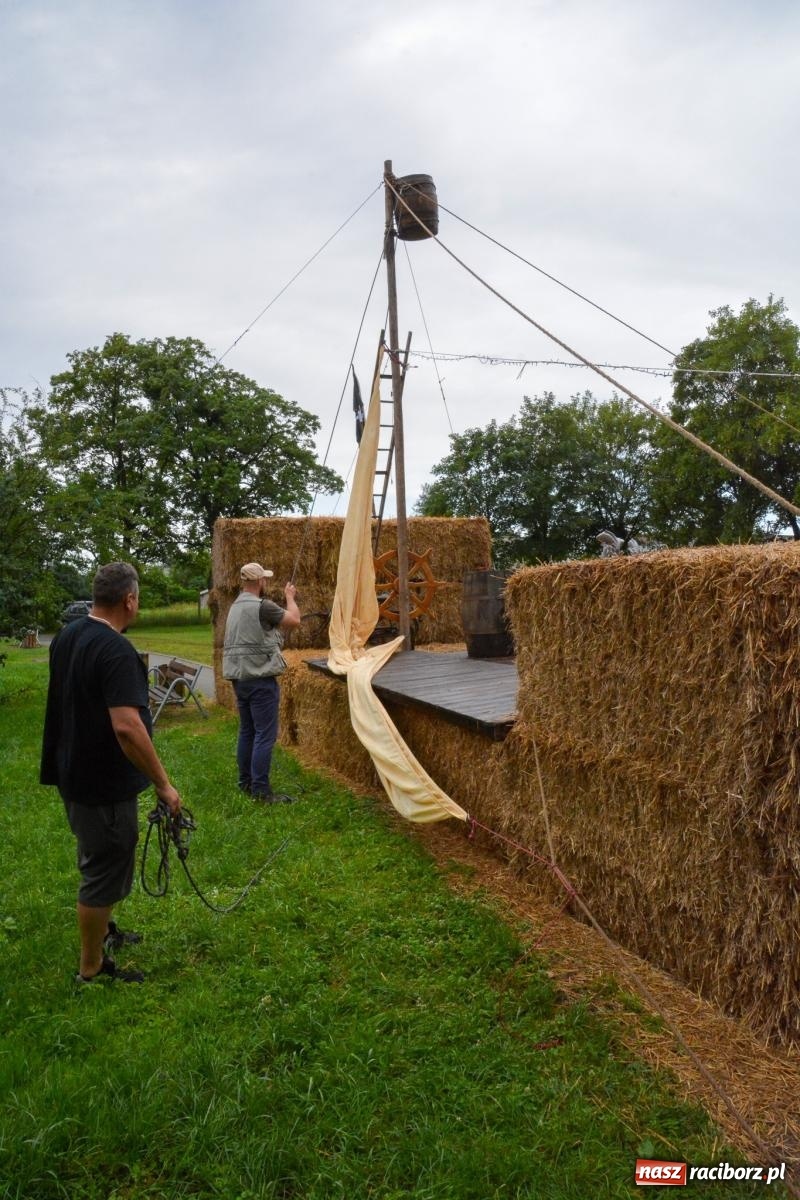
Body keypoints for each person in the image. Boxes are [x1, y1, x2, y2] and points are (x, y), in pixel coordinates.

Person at [41, 561, 181, 984]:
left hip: (73, 773)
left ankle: (105, 932)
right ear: (130, 600)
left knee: (98, 856)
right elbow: (127, 726)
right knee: (102, 871)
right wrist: (164, 784)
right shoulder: (117, 651)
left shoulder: (67, 636)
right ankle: (92, 967)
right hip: (101, 783)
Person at [222, 562, 301, 804]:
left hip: (239, 679)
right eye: (264, 579)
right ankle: (261, 790)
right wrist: (290, 597)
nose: (265, 582)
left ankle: (245, 782)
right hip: (260, 679)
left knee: (247, 731)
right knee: (265, 735)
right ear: (260, 582)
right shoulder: (264, 606)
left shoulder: (234, 607)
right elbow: (294, 620)